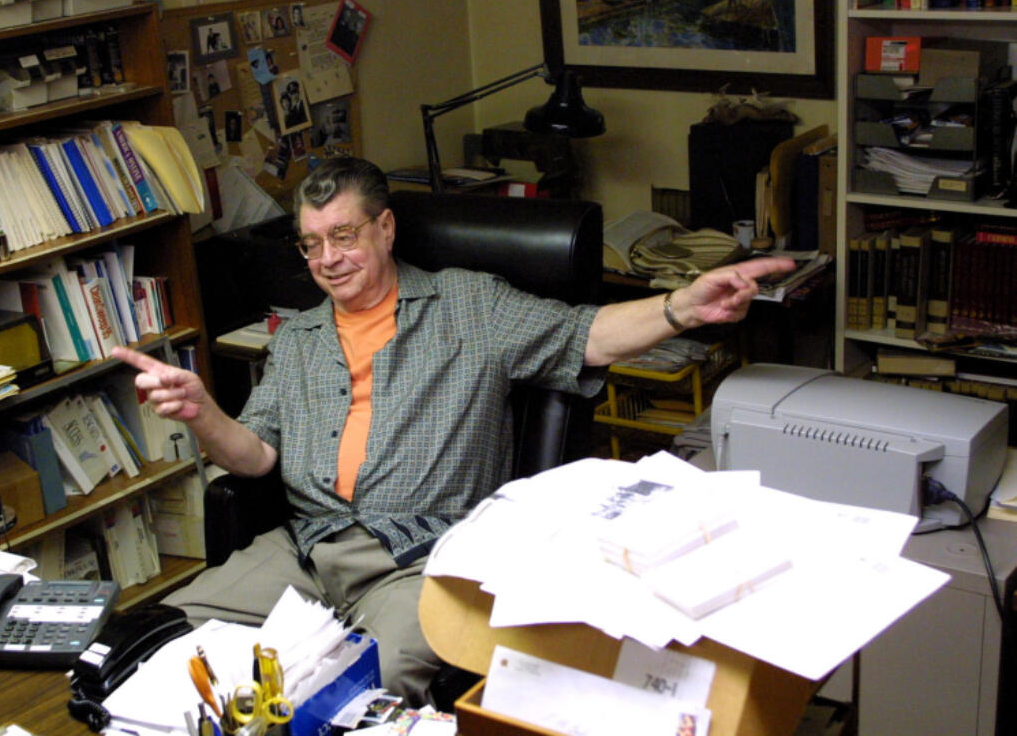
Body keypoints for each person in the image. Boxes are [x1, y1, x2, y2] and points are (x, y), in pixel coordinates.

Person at [111, 158, 793, 706]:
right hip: (307, 550)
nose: (328, 259)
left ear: (385, 228)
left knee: (341, 700)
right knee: (149, 642)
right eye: (312, 243)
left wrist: (682, 306)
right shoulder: (299, 338)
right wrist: (203, 413)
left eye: (344, 236)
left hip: (422, 561)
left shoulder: (469, 304)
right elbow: (255, 454)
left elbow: (587, 335)